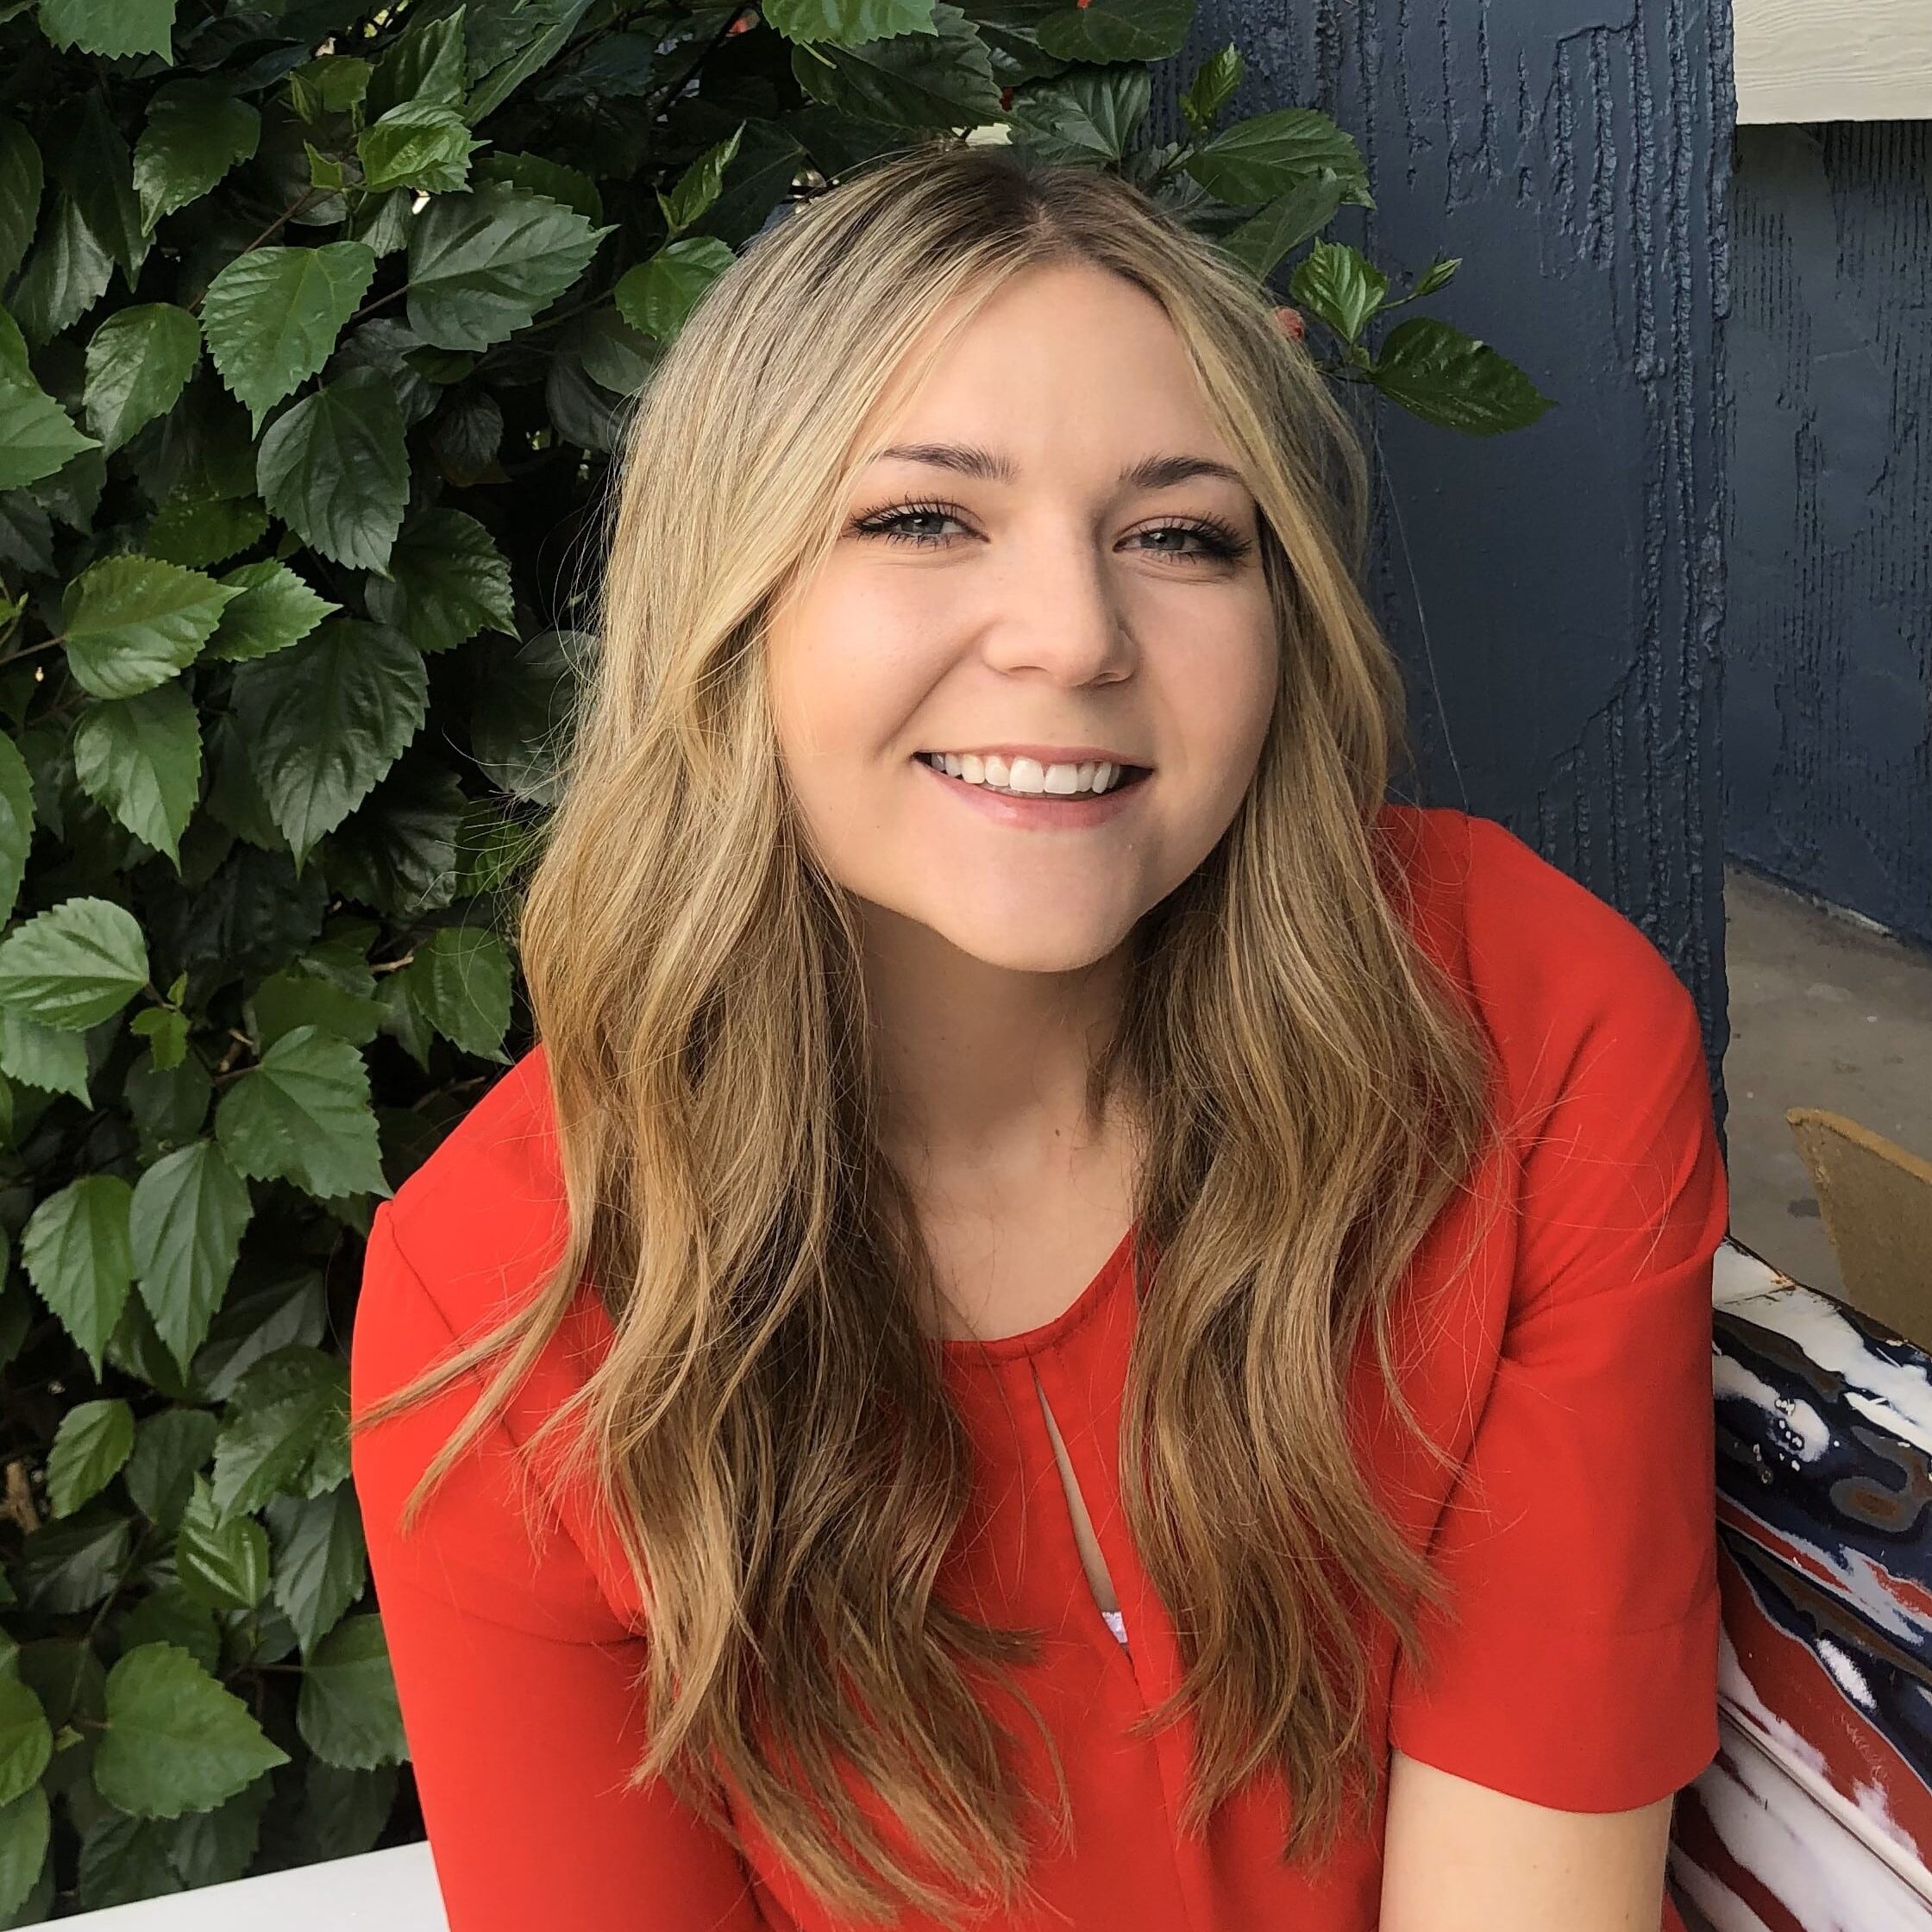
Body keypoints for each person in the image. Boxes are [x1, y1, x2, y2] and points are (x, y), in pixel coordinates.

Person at [348, 140, 1729, 1932]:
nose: (1074, 635)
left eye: (1179, 535)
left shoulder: (1525, 1031)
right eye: (924, 517)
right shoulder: (504, 1303)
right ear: (731, 604)